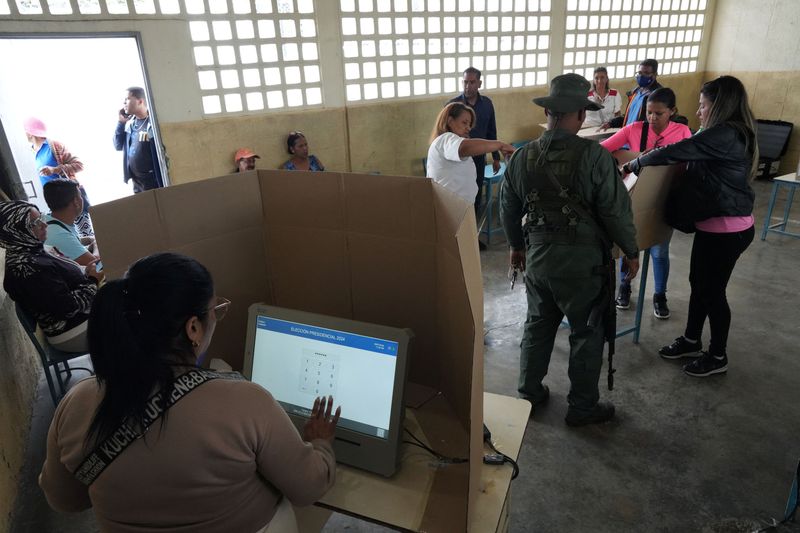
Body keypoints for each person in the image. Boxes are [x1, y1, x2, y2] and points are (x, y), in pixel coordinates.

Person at [39, 252, 341, 532]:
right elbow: (308, 487)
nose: (216, 318)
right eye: (215, 310)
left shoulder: (75, 403)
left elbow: (65, 500)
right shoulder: (245, 402)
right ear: (193, 328)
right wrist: (321, 443)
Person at [499, 73, 639, 427]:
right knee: (587, 332)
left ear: (549, 113)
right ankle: (582, 406)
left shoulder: (521, 157)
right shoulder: (594, 157)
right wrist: (632, 250)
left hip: (539, 259)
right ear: (579, 114)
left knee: (538, 325)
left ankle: (528, 393)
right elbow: (615, 210)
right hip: (583, 265)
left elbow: (509, 208)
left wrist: (516, 247)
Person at [623, 76, 757, 378]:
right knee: (700, 284)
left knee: (713, 292)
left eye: (703, 105)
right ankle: (692, 339)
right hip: (713, 225)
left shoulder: (726, 134)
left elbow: (680, 149)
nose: (698, 112)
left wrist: (636, 163)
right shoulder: (723, 133)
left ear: (718, 106)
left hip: (728, 229)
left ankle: (717, 354)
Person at [601, 88, 692, 318]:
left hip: (664, 200)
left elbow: (692, 161)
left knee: (660, 250)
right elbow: (601, 150)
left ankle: (660, 295)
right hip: (634, 199)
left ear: (672, 111)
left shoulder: (682, 133)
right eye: (649, 112)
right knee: (628, 245)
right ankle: (625, 286)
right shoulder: (634, 129)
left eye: (658, 114)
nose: (652, 118)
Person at [0, 201, 101, 352]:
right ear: (17, 231)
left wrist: (86, 272)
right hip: (73, 331)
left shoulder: (31, 249)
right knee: (131, 312)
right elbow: (69, 308)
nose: (44, 224)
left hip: (81, 318)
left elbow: (61, 279)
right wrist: (93, 279)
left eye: (40, 217)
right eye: (35, 222)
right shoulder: (27, 269)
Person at [427, 102, 515, 206]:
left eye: (469, 125)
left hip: (458, 208)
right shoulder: (445, 139)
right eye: (464, 122)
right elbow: (464, 148)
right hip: (449, 209)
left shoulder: (449, 143)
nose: (468, 128)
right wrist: (500, 145)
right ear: (450, 121)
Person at [23, 117, 94, 238]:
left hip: (70, 198)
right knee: (67, 237)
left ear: (30, 132)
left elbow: (79, 165)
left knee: (85, 235)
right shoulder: (30, 152)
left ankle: (94, 256)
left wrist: (55, 169)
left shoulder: (54, 146)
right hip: (53, 203)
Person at [447, 67, 501, 217]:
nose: (467, 86)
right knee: (457, 196)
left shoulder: (487, 104)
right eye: (465, 82)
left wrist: (496, 157)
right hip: (457, 159)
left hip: (478, 159)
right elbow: (444, 134)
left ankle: (472, 229)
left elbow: (491, 131)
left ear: (479, 83)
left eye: (472, 82)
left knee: (475, 194)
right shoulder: (452, 106)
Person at [114, 86, 164, 193]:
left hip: (153, 182)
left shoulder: (153, 123)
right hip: (137, 182)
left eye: (127, 99)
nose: (124, 102)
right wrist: (120, 123)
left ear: (140, 101)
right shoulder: (130, 124)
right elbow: (117, 145)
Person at [43, 179, 100, 267]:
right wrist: (97, 244)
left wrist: (89, 239)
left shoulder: (50, 220)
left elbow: (70, 241)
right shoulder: (60, 235)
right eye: (80, 195)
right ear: (76, 202)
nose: (82, 199)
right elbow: (96, 264)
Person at [601, 59, 662, 130]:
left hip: (640, 138)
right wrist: (611, 123)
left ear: (654, 75)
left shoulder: (658, 96)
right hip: (628, 136)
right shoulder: (635, 92)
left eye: (646, 73)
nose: (641, 76)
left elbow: (654, 124)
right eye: (640, 72)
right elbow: (629, 116)